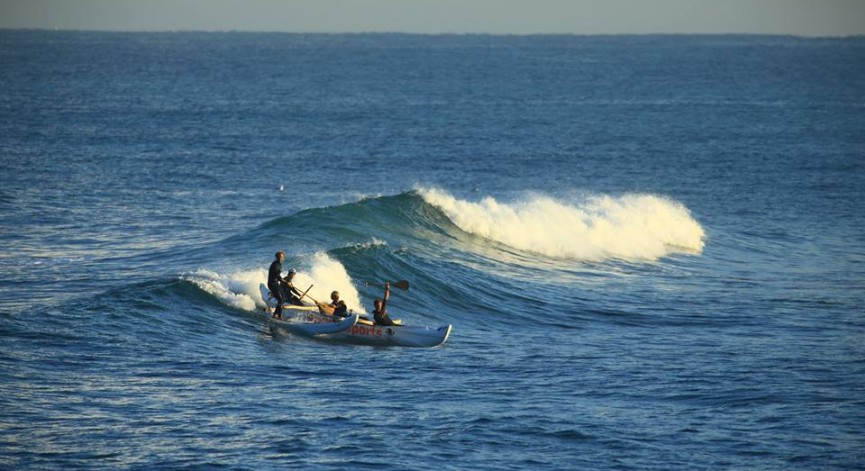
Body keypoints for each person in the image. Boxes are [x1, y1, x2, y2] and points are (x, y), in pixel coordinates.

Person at [267, 251, 303, 319]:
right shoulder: (276, 265)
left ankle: (278, 315)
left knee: (282, 299)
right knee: (281, 300)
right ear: (277, 257)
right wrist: (286, 282)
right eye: (280, 257)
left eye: (282, 257)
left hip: (275, 283)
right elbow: (278, 276)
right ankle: (276, 315)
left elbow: (278, 277)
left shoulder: (277, 264)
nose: (281, 258)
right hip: (272, 284)